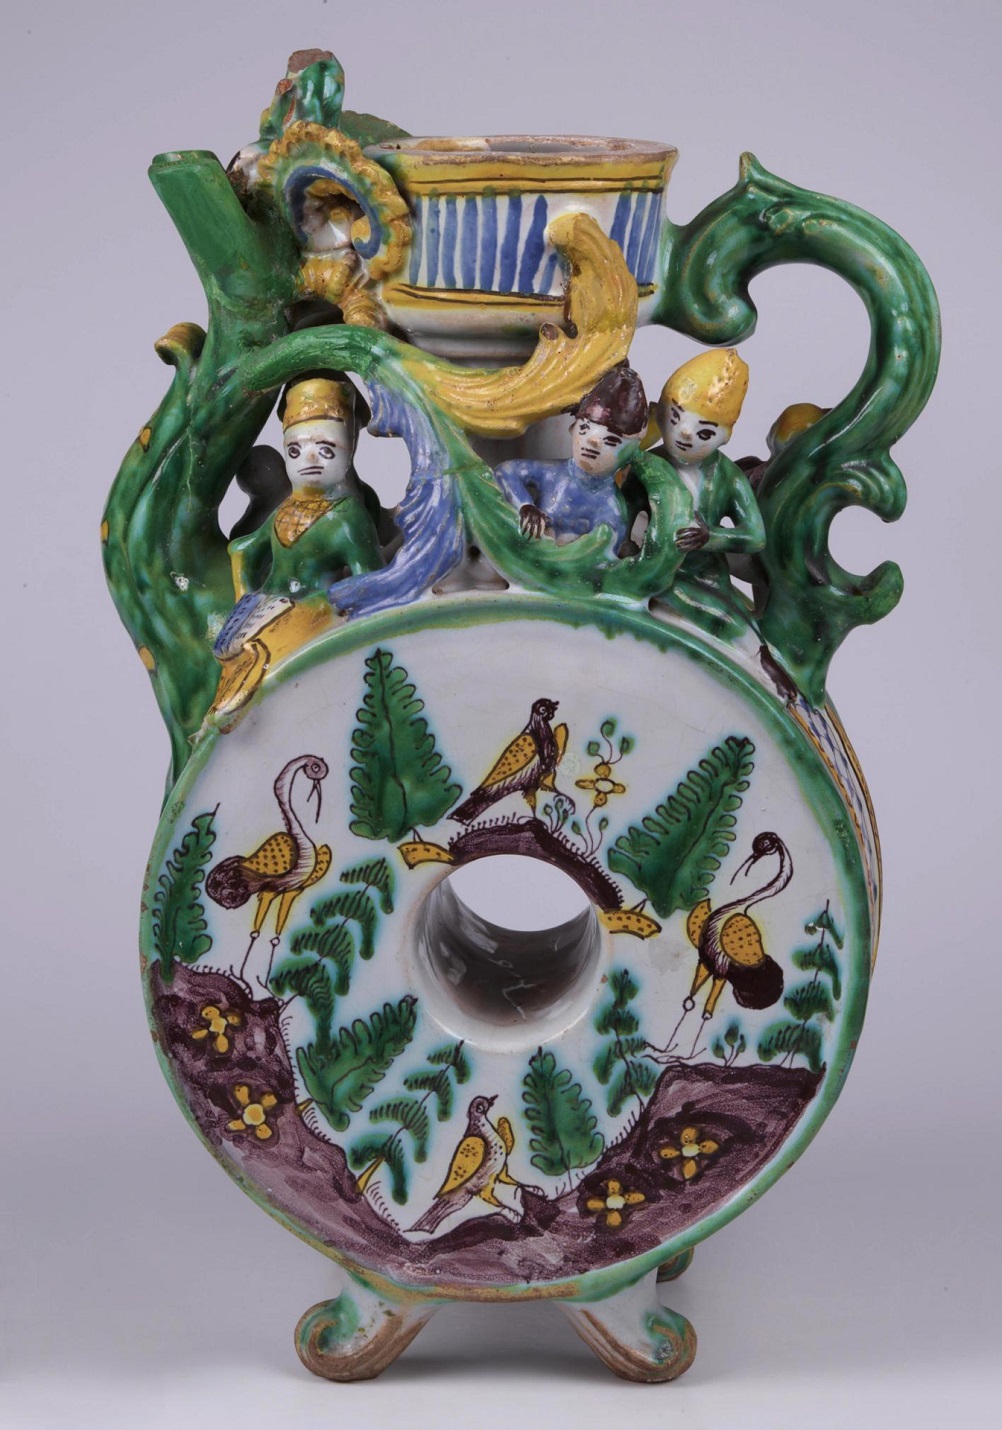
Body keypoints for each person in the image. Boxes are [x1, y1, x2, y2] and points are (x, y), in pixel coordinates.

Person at [209, 375, 383, 725]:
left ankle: (251, 710)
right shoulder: (287, 508)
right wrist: (245, 595)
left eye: (326, 449)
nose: (310, 460)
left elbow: (370, 583)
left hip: (314, 607)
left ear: (348, 451)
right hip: (267, 602)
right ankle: (230, 713)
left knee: (262, 653)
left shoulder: (347, 517)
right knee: (225, 646)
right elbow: (243, 549)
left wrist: (338, 609)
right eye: (295, 450)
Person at [494, 364, 649, 552]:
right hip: (525, 555)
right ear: (572, 429)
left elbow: (604, 555)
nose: (593, 442)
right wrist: (525, 506)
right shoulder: (553, 473)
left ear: (630, 453)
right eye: (584, 429)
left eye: (611, 441)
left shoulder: (610, 509)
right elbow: (506, 472)